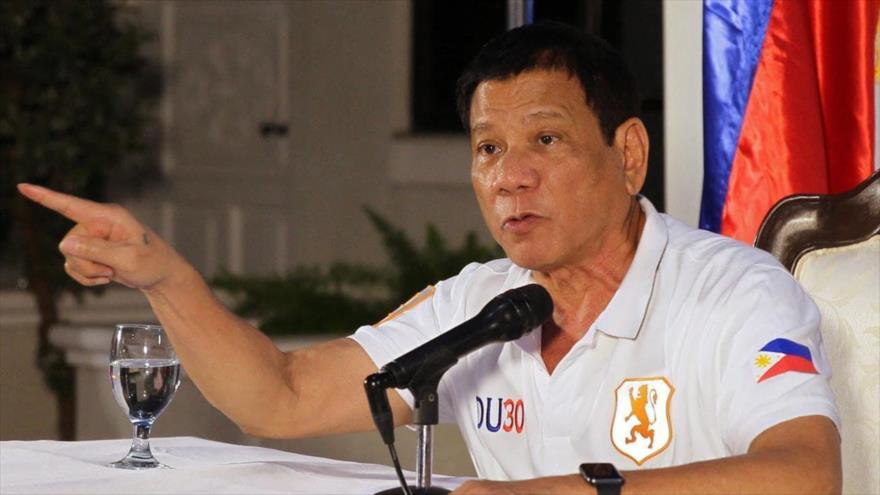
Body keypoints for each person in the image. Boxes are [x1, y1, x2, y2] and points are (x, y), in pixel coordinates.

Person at [18, 21, 840, 495]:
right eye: (487, 147)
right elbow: (281, 398)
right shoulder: (478, 304)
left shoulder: (733, 289)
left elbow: (804, 474)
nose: (510, 175)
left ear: (628, 153)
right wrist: (164, 274)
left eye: (546, 140)